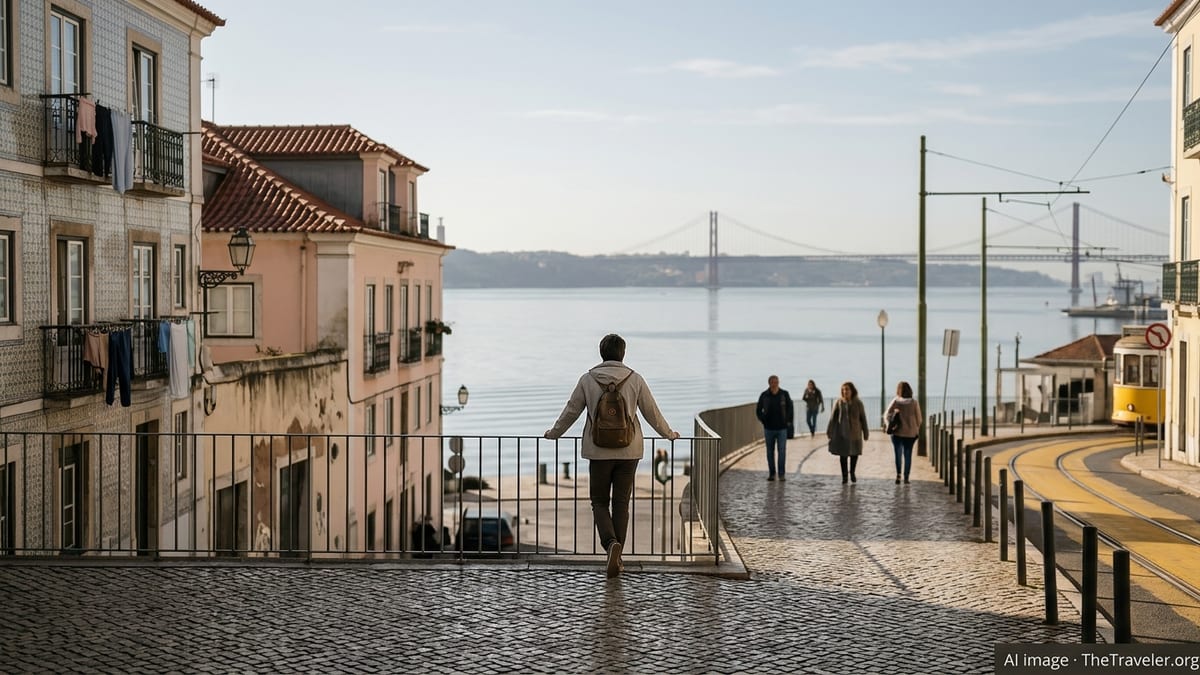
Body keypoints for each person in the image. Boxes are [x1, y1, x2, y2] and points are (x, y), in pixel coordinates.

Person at [544, 333, 680, 579]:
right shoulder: (635, 379)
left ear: (601, 353)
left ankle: (610, 545)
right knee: (621, 503)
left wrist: (555, 433)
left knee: (598, 501)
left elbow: (571, 410)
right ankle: (618, 557)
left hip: (598, 451)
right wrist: (668, 434)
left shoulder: (587, 379)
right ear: (623, 354)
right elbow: (651, 412)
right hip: (630, 451)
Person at [827, 381, 869, 484]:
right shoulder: (839, 403)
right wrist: (830, 431)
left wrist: (866, 432)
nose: (845, 391)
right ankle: (845, 476)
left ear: (852, 391)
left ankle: (852, 472)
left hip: (855, 433)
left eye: (847, 389)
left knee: (855, 454)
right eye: (843, 390)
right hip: (843, 433)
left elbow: (863, 418)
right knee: (843, 455)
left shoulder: (858, 403)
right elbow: (833, 418)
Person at [755, 375, 794, 482]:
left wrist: (789, 421)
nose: (774, 384)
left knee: (782, 451)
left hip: (782, 428)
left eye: (776, 382)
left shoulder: (784, 394)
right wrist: (763, 420)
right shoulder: (764, 395)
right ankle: (772, 473)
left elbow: (790, 408)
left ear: (778, 382)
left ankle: (781, 474)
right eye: (772, 382)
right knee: (769, 452)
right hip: (769, 428)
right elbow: (758, 410)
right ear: (769, 383)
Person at [885, 381, 922, 485]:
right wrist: (915, 428)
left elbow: (887, 415)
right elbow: (919, 419)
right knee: (908, 455)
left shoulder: (896, 401)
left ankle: (898, 475)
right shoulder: (914, 403)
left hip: (897, 433)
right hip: (910, 434)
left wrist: (891, 424)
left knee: (898, 454)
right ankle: (906, 477)